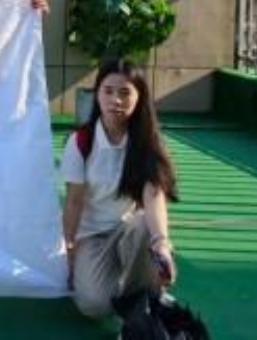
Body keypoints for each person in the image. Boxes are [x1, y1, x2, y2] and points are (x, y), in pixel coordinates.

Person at [60, 58, 179, 319]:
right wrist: (68, 250)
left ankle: (146, 297)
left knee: (145, 225)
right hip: (92, 236)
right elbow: (74, 201)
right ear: (97, 94)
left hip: (128, 230)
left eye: (125, 93)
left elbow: (153, 195)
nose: (116, 100)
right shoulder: (80, 142)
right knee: (95, 306)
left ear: (139, 98)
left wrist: (161, 243)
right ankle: (124, 286)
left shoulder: (147, 142)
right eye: (108, 91)